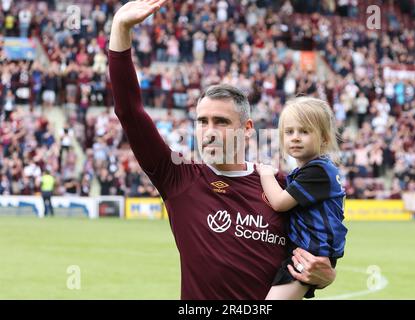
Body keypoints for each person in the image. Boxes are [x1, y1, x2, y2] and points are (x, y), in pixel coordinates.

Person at [108, 0, 336, 299]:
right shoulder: (177, 178)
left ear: (248, 128)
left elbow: (313, 253)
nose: (210, 131)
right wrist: (120, 29)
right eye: (202, 121)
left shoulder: (281, 185)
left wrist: (325, 273)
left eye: (221, 121)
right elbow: (129, 111)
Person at [257, 97, 347, 300]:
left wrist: (265, 174)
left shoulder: (318, 171)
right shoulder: (309, 170)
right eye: (289, 132)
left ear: (324, 138)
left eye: (304, 131)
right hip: (307, 250)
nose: (295, 137)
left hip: (310, 254)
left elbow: (279, 203)